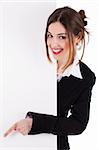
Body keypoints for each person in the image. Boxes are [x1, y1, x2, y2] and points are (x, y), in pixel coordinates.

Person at [4, 6, 96, 150]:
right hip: (17, 141)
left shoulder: (85, 77)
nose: (53, 44)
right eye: (50, 35)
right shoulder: (33, 61)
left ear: (77, 37)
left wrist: (34, 123)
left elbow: (78, 124)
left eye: (62, 37)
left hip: (55, 144)